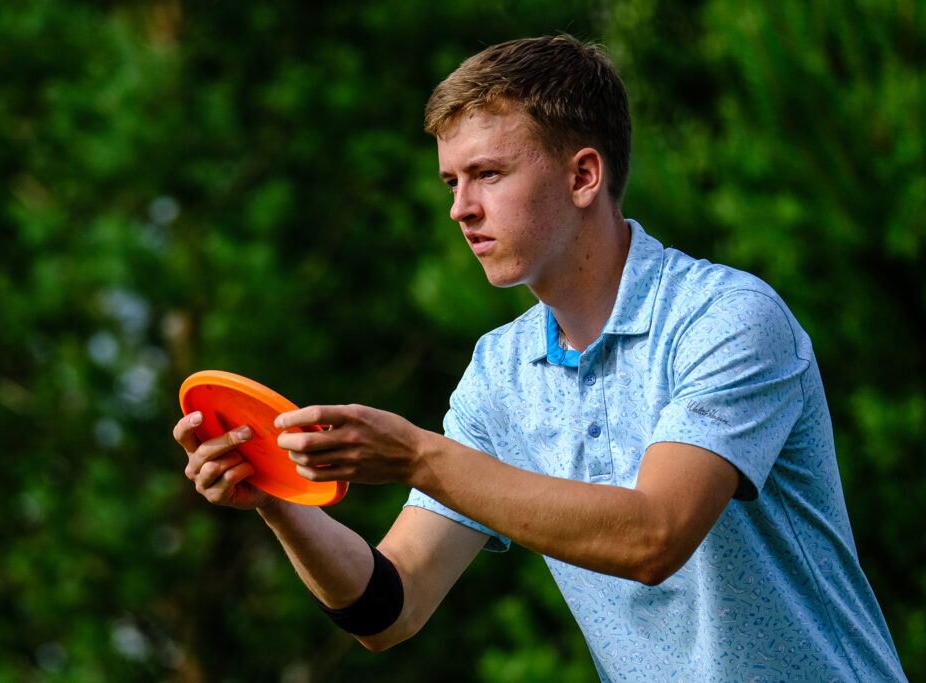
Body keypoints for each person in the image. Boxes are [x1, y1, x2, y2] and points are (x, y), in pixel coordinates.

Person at [174, 35, 906, 681]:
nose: (460, 206)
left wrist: (420, 457)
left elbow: (654, 535)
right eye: (451, 181)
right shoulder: (499, 373)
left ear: (584, 176)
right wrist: (275, 495)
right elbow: (392, 605)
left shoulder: (727, 319)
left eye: (487, 174)